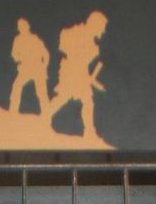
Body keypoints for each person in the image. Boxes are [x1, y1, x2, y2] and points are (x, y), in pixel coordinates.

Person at [49, 12, 108, 143]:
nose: (103, 31)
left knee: (86, 101)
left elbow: (83, 64)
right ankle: (44, 118)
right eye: (101, 27)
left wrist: (91, 80)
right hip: (70, 71)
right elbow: (69, 52)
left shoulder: (93, 44)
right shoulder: (76, 33)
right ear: (95, 24)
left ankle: (89, 131)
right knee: (63, 97)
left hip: (79, 72)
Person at [8, 19, 51, 117]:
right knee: (16, 88)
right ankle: (12, 111)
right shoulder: (18, 40)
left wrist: (44, 66)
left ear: (27, 27)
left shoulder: (35, 39)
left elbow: (46, 54)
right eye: (20, 27)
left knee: (41, 92)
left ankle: (47, 114)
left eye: (24, 26)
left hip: (37, 68)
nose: (22, 29)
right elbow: (14, 55)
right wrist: (18, 59)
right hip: (25, 68)